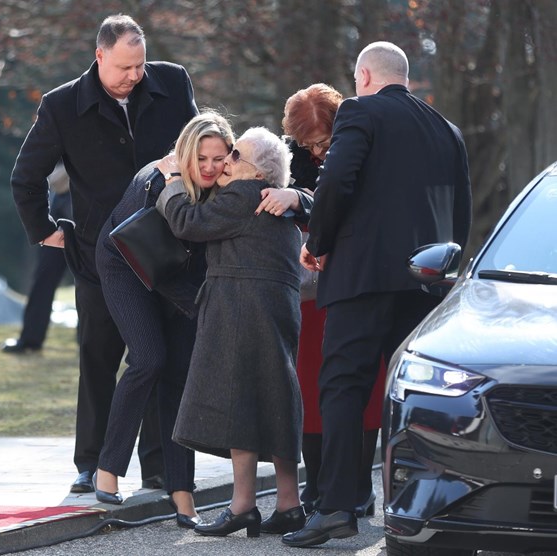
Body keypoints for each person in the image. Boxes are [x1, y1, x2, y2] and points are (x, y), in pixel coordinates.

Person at [285, 41, 472, 548]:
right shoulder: (446, 130)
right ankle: (417, 503)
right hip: (425, 283)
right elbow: (462, 213)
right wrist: (442, 273)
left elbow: (337, 182)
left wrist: (317, 245)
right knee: (413, 398)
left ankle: (337, 508)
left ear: (364, 76)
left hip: (361, 278)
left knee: (344, 388)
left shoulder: (358, 113)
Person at [10, 14, 198, 494]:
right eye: (123, 68)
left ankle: (158, 465)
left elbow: (200, 149)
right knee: (97, 359)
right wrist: (45, 233)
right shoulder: (62, 105)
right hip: (100, 255)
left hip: (167, 251)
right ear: (99, 57)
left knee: (162, 360)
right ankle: (89, 463)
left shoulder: (172, 83)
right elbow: (25, 177)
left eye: (139, 65)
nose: (135, 75)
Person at [158, 127, 305, 538]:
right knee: (275, 394)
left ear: (258, 173)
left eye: (235, 155)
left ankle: (242, 506)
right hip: (277, 304)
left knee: (239, 398)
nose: (225, 161)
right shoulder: (280, 205)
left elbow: (188, 222)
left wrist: (170, 184)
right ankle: (290, 503)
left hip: (241, 303)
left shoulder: (243, 195)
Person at [93, 112, 233, 526]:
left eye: (218, 158)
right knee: (150, 358)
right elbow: (150, 261)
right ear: (185, 154)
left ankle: (182, 491)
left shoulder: (224, 186)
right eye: (201, 159)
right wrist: (197, 306)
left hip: (177, 274)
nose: (208, 168)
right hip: (128, 262)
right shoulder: (158, 183)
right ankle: (108, 467)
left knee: (180, 375)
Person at [257, 83, 385, 518]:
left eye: (322, 141)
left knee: (363, 390)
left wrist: (304, 203)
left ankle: (358, 486)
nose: (314, 150)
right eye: (307, 142)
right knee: (309, 389)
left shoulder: (362, 143)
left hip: (354, 281)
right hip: (307, 285)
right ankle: (319, 485)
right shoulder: (290, 156)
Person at [2, 165, 72, 354]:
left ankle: (89, 340)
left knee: (91, 281)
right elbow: (56, 182)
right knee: (43, 280)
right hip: (61, 212)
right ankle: (30, 339)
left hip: (89, 210)